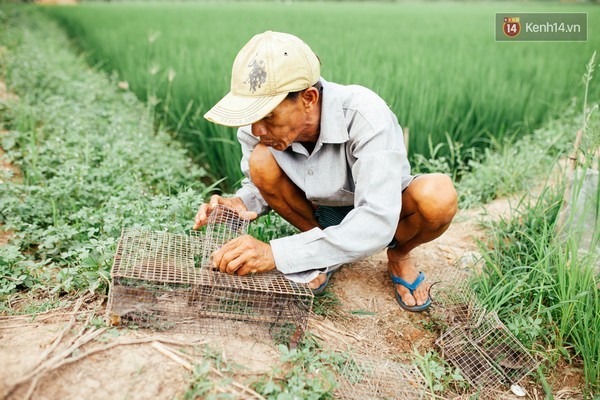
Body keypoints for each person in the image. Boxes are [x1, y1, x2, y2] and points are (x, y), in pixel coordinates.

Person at [193, 31, 457, 312]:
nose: (257, 130)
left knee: (438, 197)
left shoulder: (365, 115)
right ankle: (321, 255)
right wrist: (241, 203)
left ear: (308, 97)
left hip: (386, 211)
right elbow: (260, 185)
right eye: (252, 116)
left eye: (269, 116)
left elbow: (378, 219)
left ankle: (400, 255)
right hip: (318, 212)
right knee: (261, 160)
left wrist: (276, 254)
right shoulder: (259, 130)